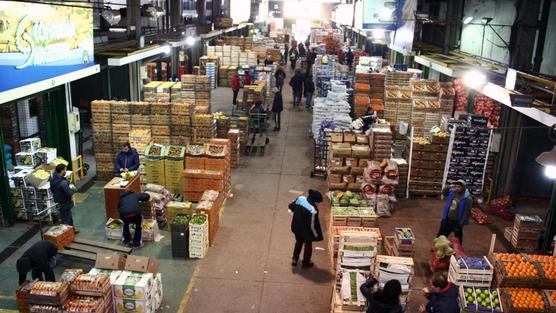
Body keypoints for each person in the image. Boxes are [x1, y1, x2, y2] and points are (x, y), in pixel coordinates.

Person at [288, 189, 324, 268]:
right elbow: (312, 225)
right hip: (306, 231)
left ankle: (295, 259)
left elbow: (291, 206)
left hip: (296, 227)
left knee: (298, 242)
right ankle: (306, 262)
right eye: (319, 202)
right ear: (315, 201)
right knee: (308, 246)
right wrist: (316, 235)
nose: (319, 204)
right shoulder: (312, 210)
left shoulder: (300, 199)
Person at [437, 179, 472, 244]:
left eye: (459, 187)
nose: (457, 188)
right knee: (441, 236)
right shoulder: (452, 192)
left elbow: (467, 212)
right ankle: (437, 248)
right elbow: (444, 193)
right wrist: (448, 186)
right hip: (447, 219)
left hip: (457, 222)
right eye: (456, 186)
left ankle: (459, 252)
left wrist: (461, 223)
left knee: (458, 239)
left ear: (463, 187)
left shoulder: (467, 198)